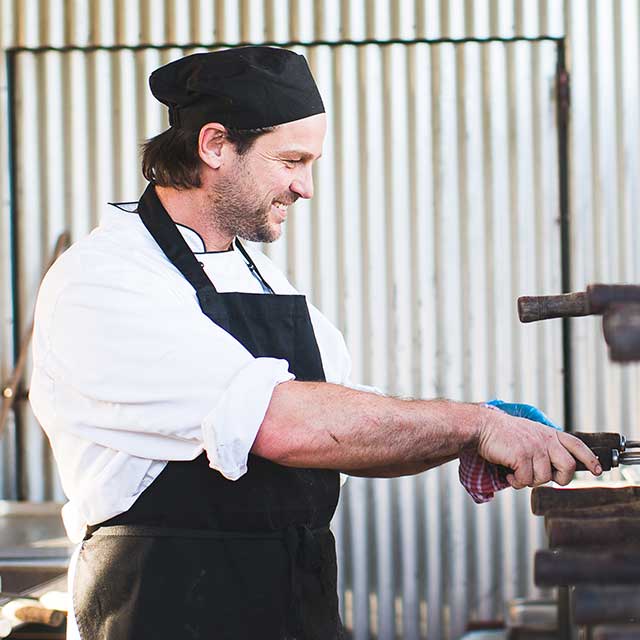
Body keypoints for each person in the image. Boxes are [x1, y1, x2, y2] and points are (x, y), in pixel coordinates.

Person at [29, 46, 601, 640]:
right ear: (215, 145)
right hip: (167, 614)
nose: (306, 188)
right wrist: (471, 425)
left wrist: (476, 434)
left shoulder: (260, 275)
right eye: (292, 161)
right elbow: (282, 422)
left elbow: (346, 427)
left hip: (293, 610)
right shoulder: (106, 279)